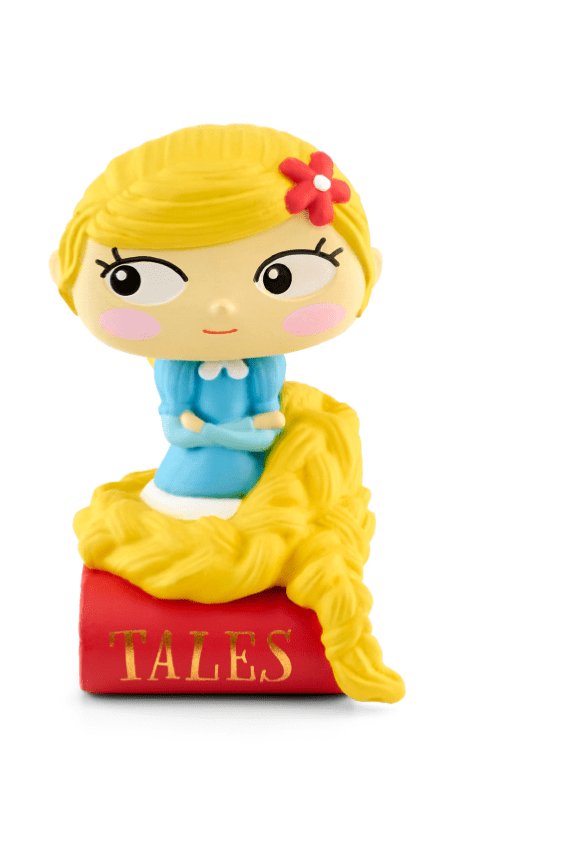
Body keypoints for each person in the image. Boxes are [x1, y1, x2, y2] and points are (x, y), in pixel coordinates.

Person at [50, 124, 404, 702]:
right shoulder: (177, 367)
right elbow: (181, 426)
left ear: (371, 271)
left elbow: (266, 424)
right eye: (135, 278)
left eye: (283, 273)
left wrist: (222, 433)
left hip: (248, 489)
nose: (220, 307)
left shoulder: (266, 367)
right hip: (185, 486)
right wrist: (233, 434)